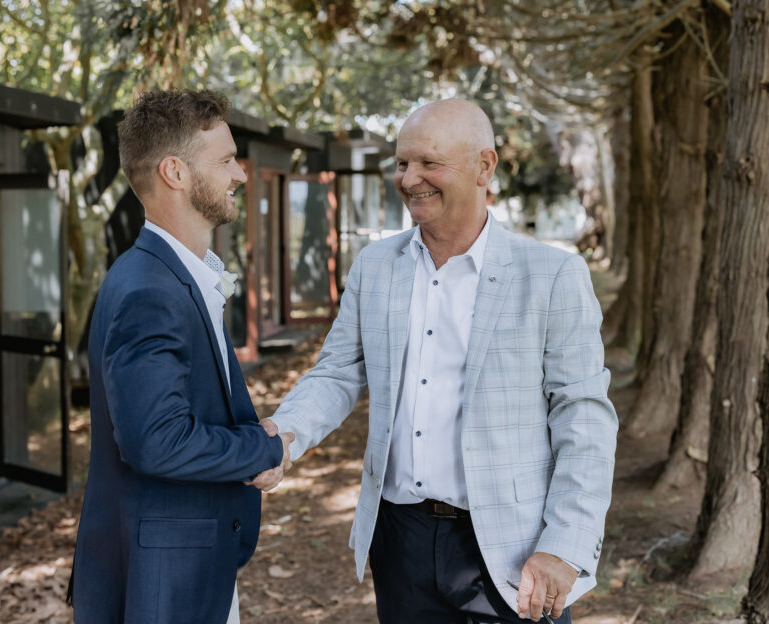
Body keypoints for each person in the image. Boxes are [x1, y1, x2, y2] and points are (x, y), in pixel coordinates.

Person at [264, 99, 617, 623]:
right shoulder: (375, 266)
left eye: (430, 163)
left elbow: (583, 417)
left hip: (513, 546)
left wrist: (565, 544)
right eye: (403, 164)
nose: (409, 179)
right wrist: (284, 433)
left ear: (484, 166)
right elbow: (338, 371)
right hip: (399, 540)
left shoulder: (553, 275)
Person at [68, 89, 292, 624]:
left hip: (190, 568)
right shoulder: (150, 288)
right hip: (163, 584)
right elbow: (157, 442)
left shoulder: (173, 273)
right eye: (224, 160)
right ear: (175, 172)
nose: (239, 174)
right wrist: (263, 451)